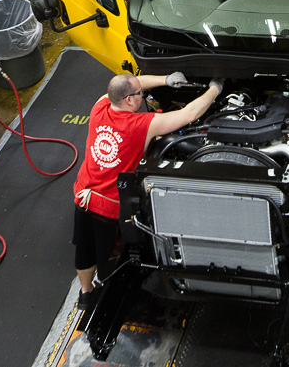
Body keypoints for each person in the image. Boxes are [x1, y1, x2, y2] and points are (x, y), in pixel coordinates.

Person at [72, 71, 223, 308]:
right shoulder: (142, 124)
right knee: (110, 255)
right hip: (109, 207)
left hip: (83, 196)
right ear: (129, 100)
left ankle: (85, 292)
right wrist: (215, 88)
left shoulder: (100, 106)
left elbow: (130, 85)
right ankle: (108, 286)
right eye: (140, 94)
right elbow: (189, 114)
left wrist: (166, 80)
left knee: (84, 250)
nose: (142, 95)